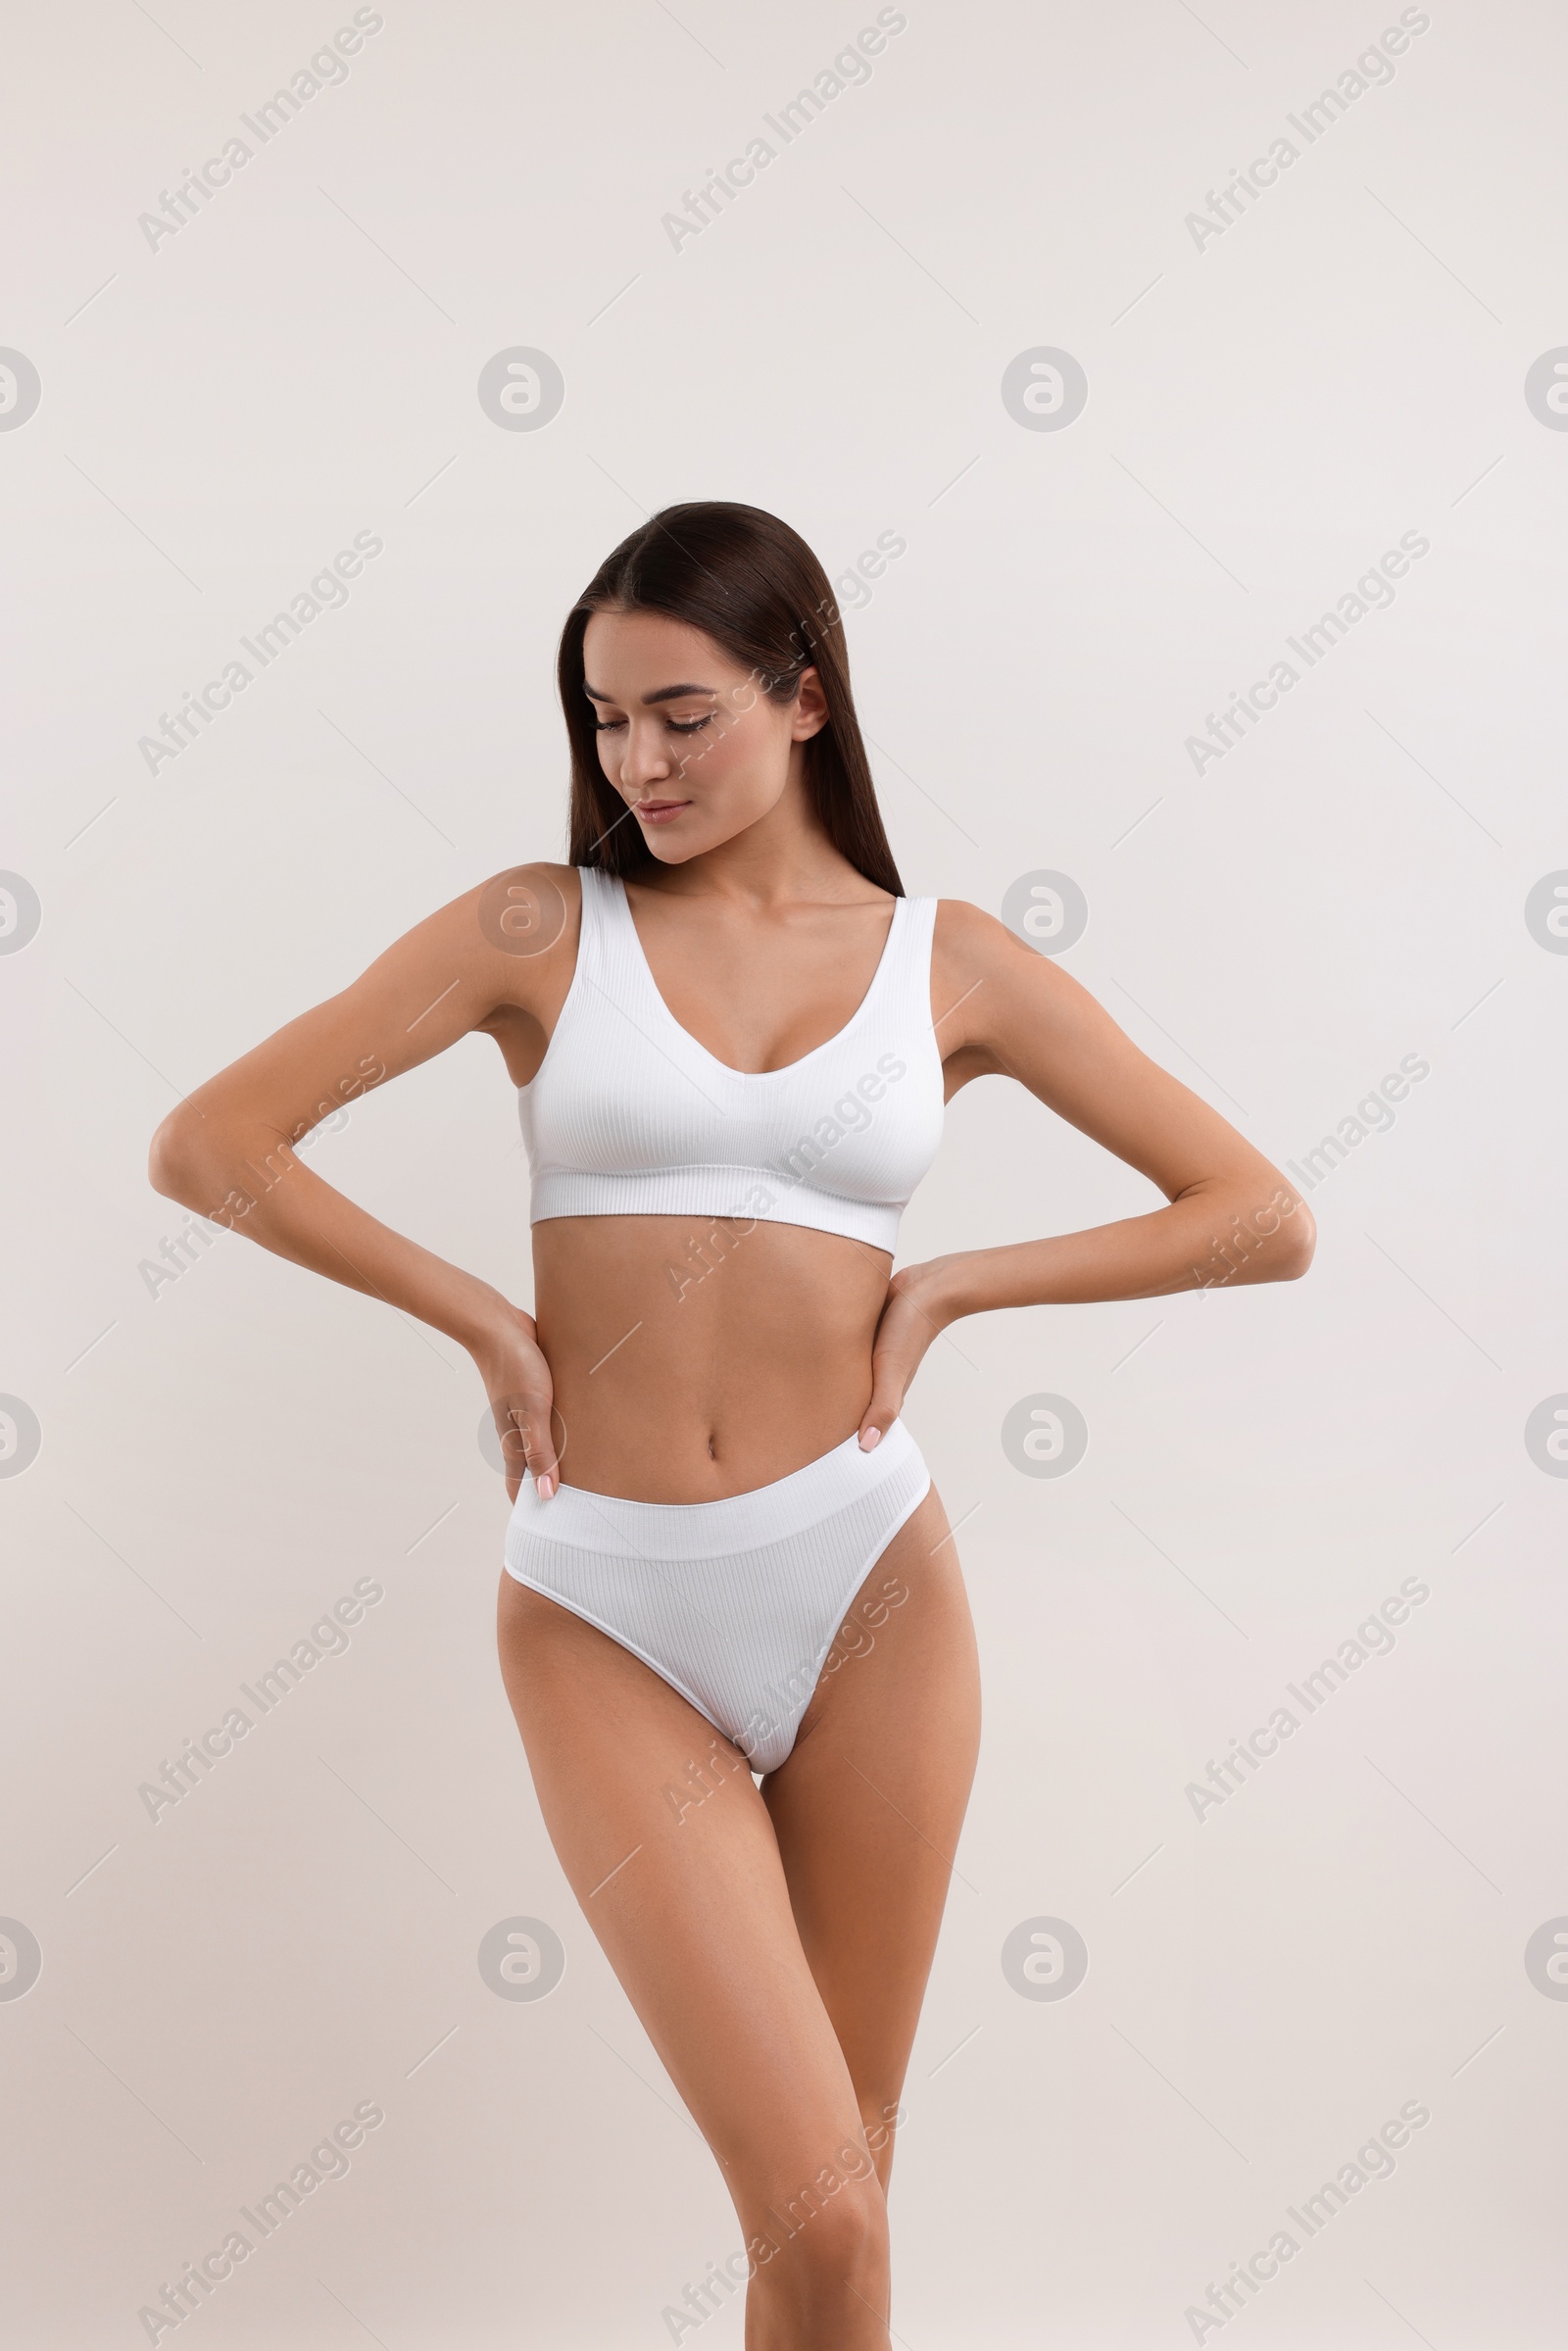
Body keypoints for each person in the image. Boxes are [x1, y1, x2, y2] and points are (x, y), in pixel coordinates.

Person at [149, 501, 1314, 2346]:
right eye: (605, 721)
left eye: (681, 714)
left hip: (869, 1587)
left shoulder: (955, 964)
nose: (638, 762)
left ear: (805, 697)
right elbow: (210, 1143)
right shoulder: (540, 926)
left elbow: (1262, 1216)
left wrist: (950, 1286)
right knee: (820, 2209)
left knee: (836, 2221)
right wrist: (476, 1317)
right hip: (606, 1598)